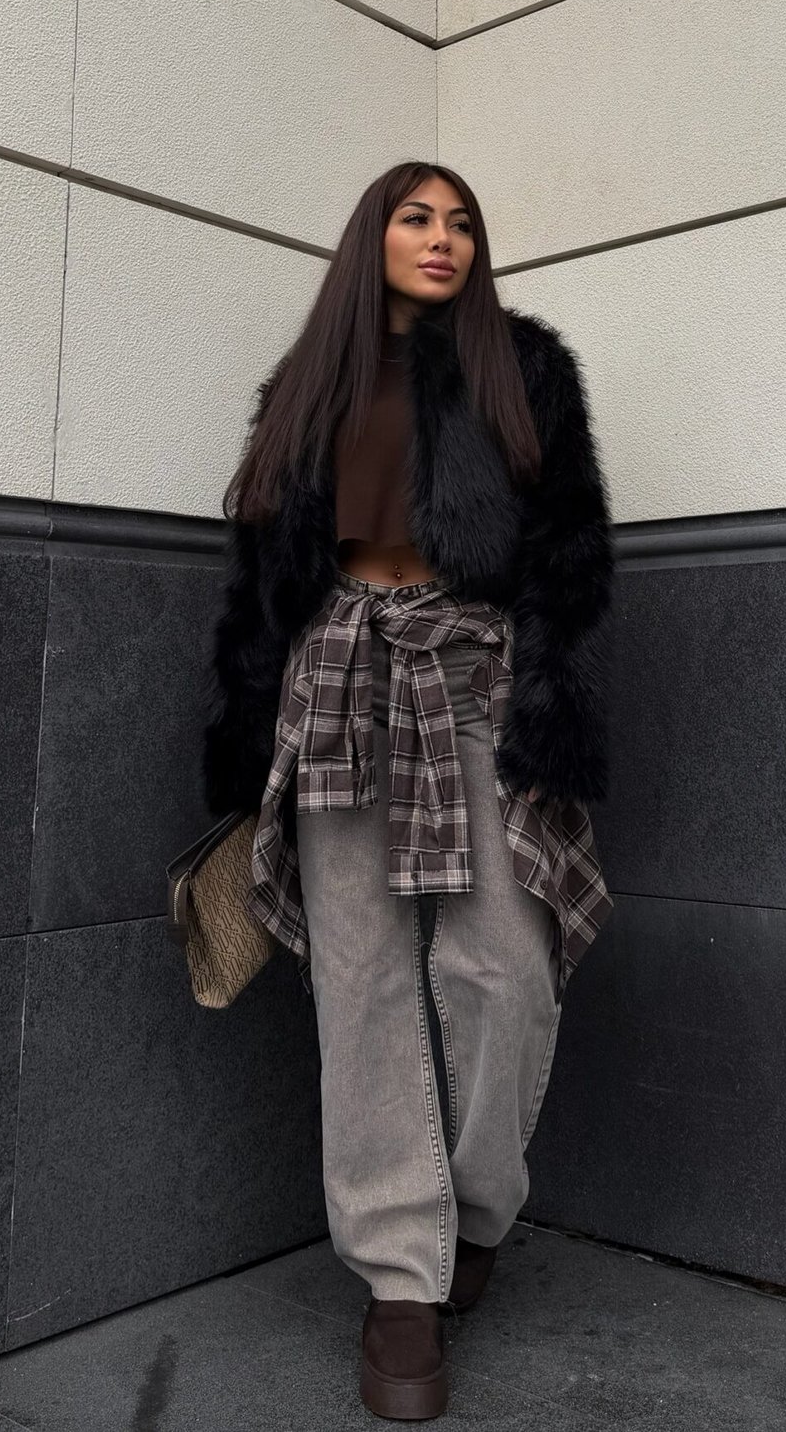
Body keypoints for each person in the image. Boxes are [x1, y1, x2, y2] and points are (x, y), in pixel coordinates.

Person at [201, 161, 614, 1421]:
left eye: (462, 223)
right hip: (336, 674)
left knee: (504, 964)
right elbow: (260, 573)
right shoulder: (305, 384)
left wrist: (545, 689)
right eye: (417, 217)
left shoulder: (523, 368)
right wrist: (243, 723)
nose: (443, 239)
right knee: (362, 982)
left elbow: (573, 556)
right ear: (370, 237)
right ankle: (397, 1282)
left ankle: (473, 1213)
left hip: (474, 674)